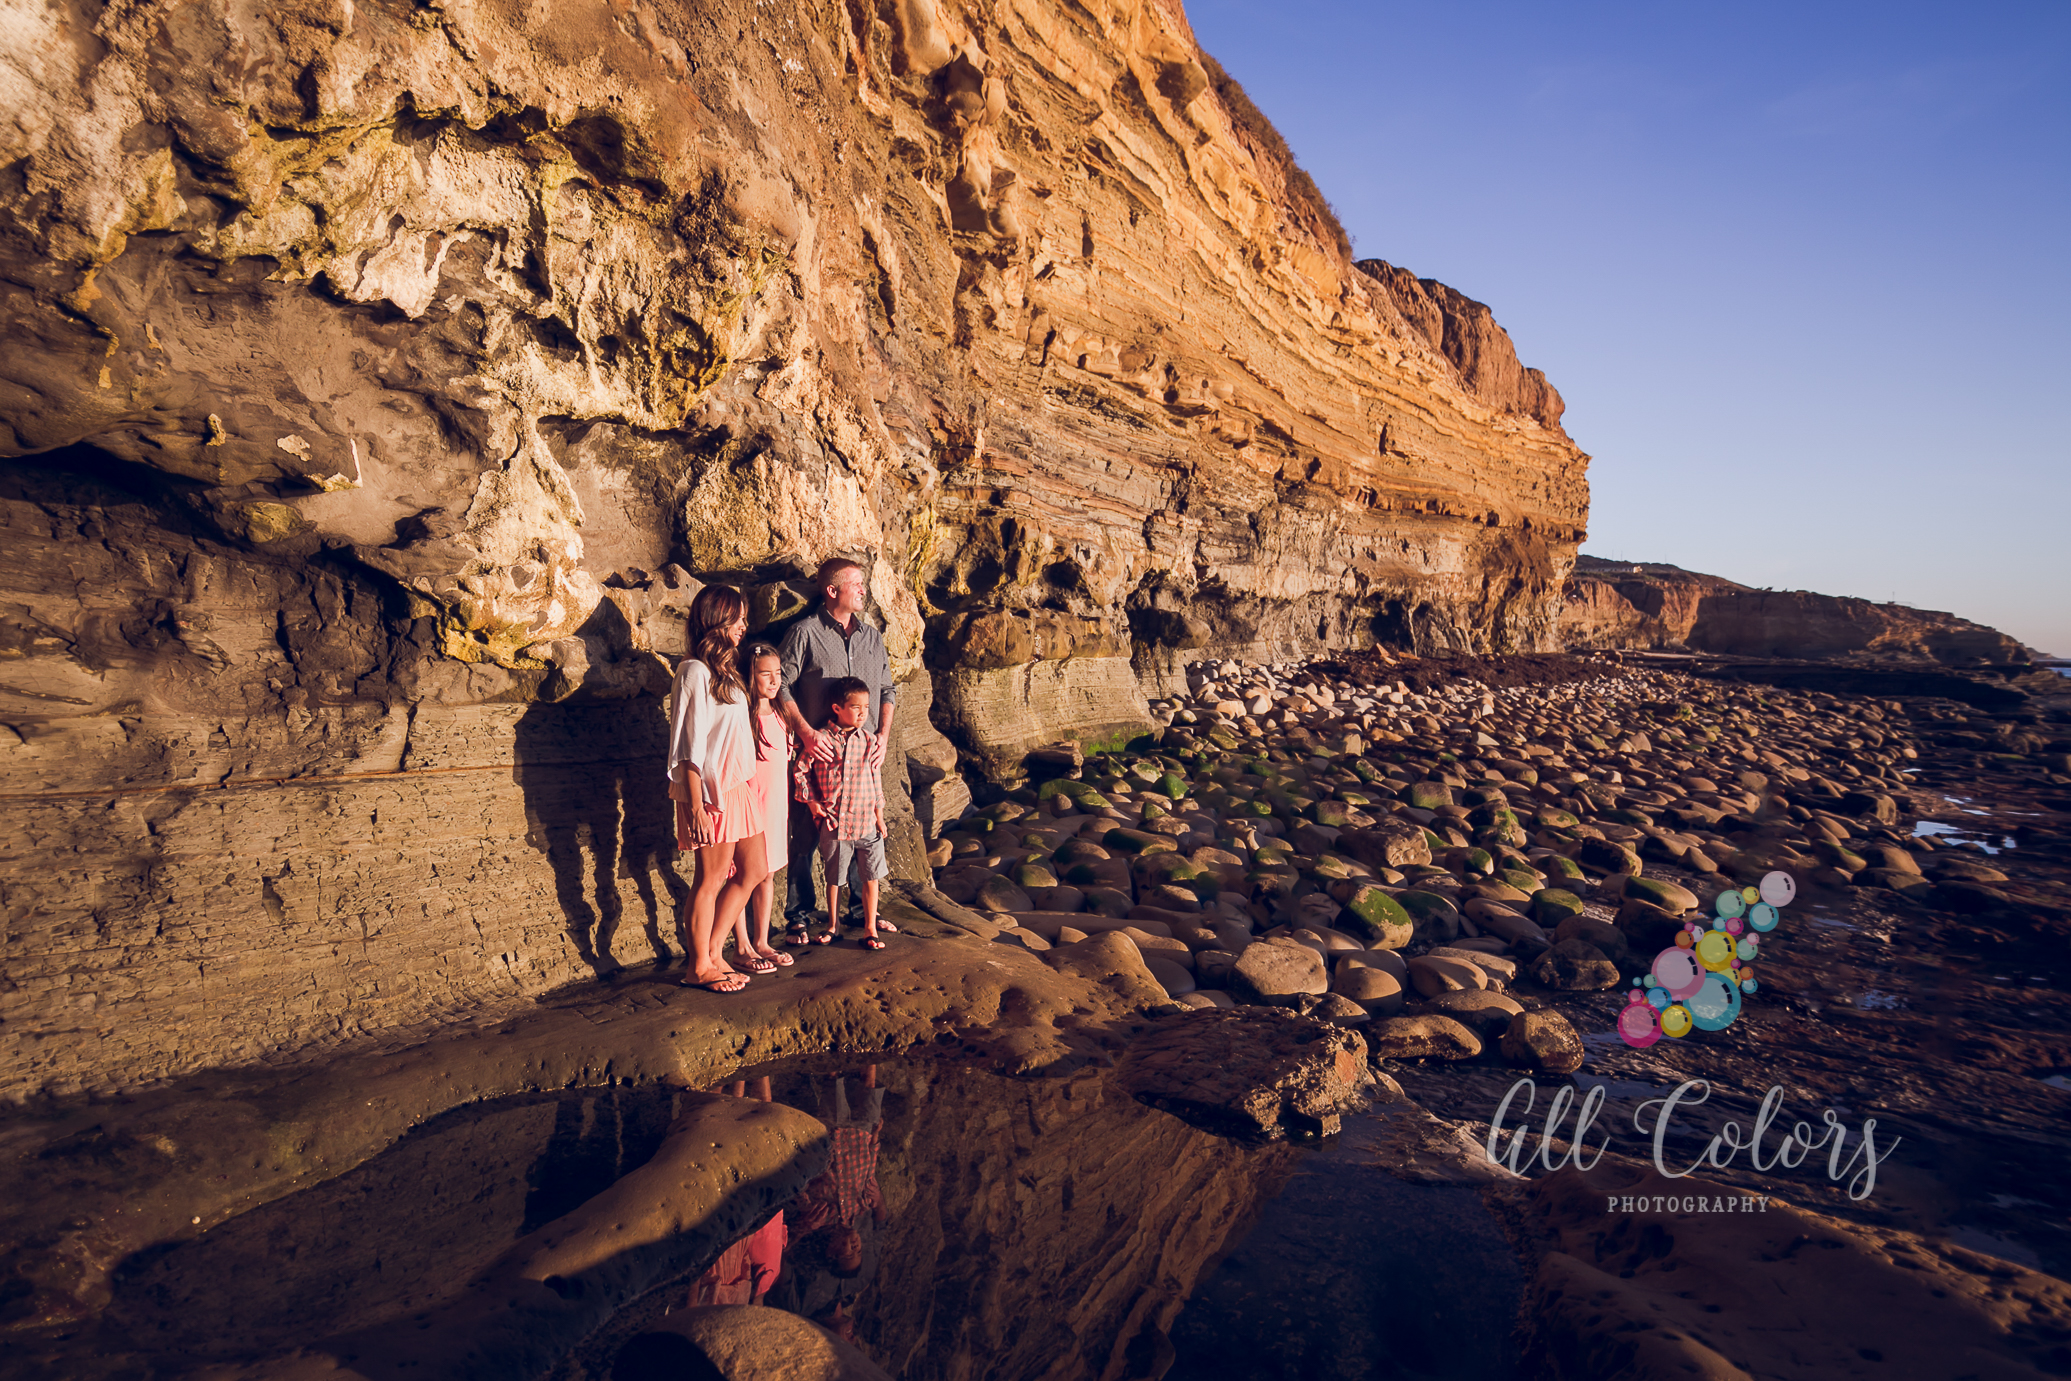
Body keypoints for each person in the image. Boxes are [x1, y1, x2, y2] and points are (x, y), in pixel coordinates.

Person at [775, 557, 898, 941]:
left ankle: (864, 915)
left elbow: (888, 690)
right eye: (856, 584)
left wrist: (883, 737)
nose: (863, 590)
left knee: (866, 838)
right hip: (819, 759)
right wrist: (807, 732)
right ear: (832, 591)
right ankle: (799, 915)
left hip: (864, 758)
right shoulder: (804, 632)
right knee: (807, 838)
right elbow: (779, 684)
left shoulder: (872, 636)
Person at [666, 585, 770, 993]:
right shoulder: (693, 671)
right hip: (710, 791)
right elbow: (688, 747)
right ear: (717, 619)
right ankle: (698, 967)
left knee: (755, 870)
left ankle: (713, 952)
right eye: (738, 618)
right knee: (709, 880)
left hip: (739, 785)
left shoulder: (726, 670)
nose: (745, 626)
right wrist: (695, 805)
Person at [793, 678, 891, 949]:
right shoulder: (821, 739)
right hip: (835, 823)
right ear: (837, 708)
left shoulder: (869, 741)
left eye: (867, 707)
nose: (863, 713)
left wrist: (880, 816)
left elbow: (876, 779)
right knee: (834, 879)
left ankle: (870, 928)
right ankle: (833, 926)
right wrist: (812, 803)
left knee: (871, 877)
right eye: (855, 707)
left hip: (867, 823)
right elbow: (800, 772)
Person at [724, 643, 794, 973]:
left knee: (767, 875)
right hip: (750, 805)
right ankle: (742, 946)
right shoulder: (743, 714)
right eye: (766, 674)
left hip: (777, 806)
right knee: (742, 874)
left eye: (777, 673)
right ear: (750, 676)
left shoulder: (781, 713)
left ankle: (763, 940)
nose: (773, 680)